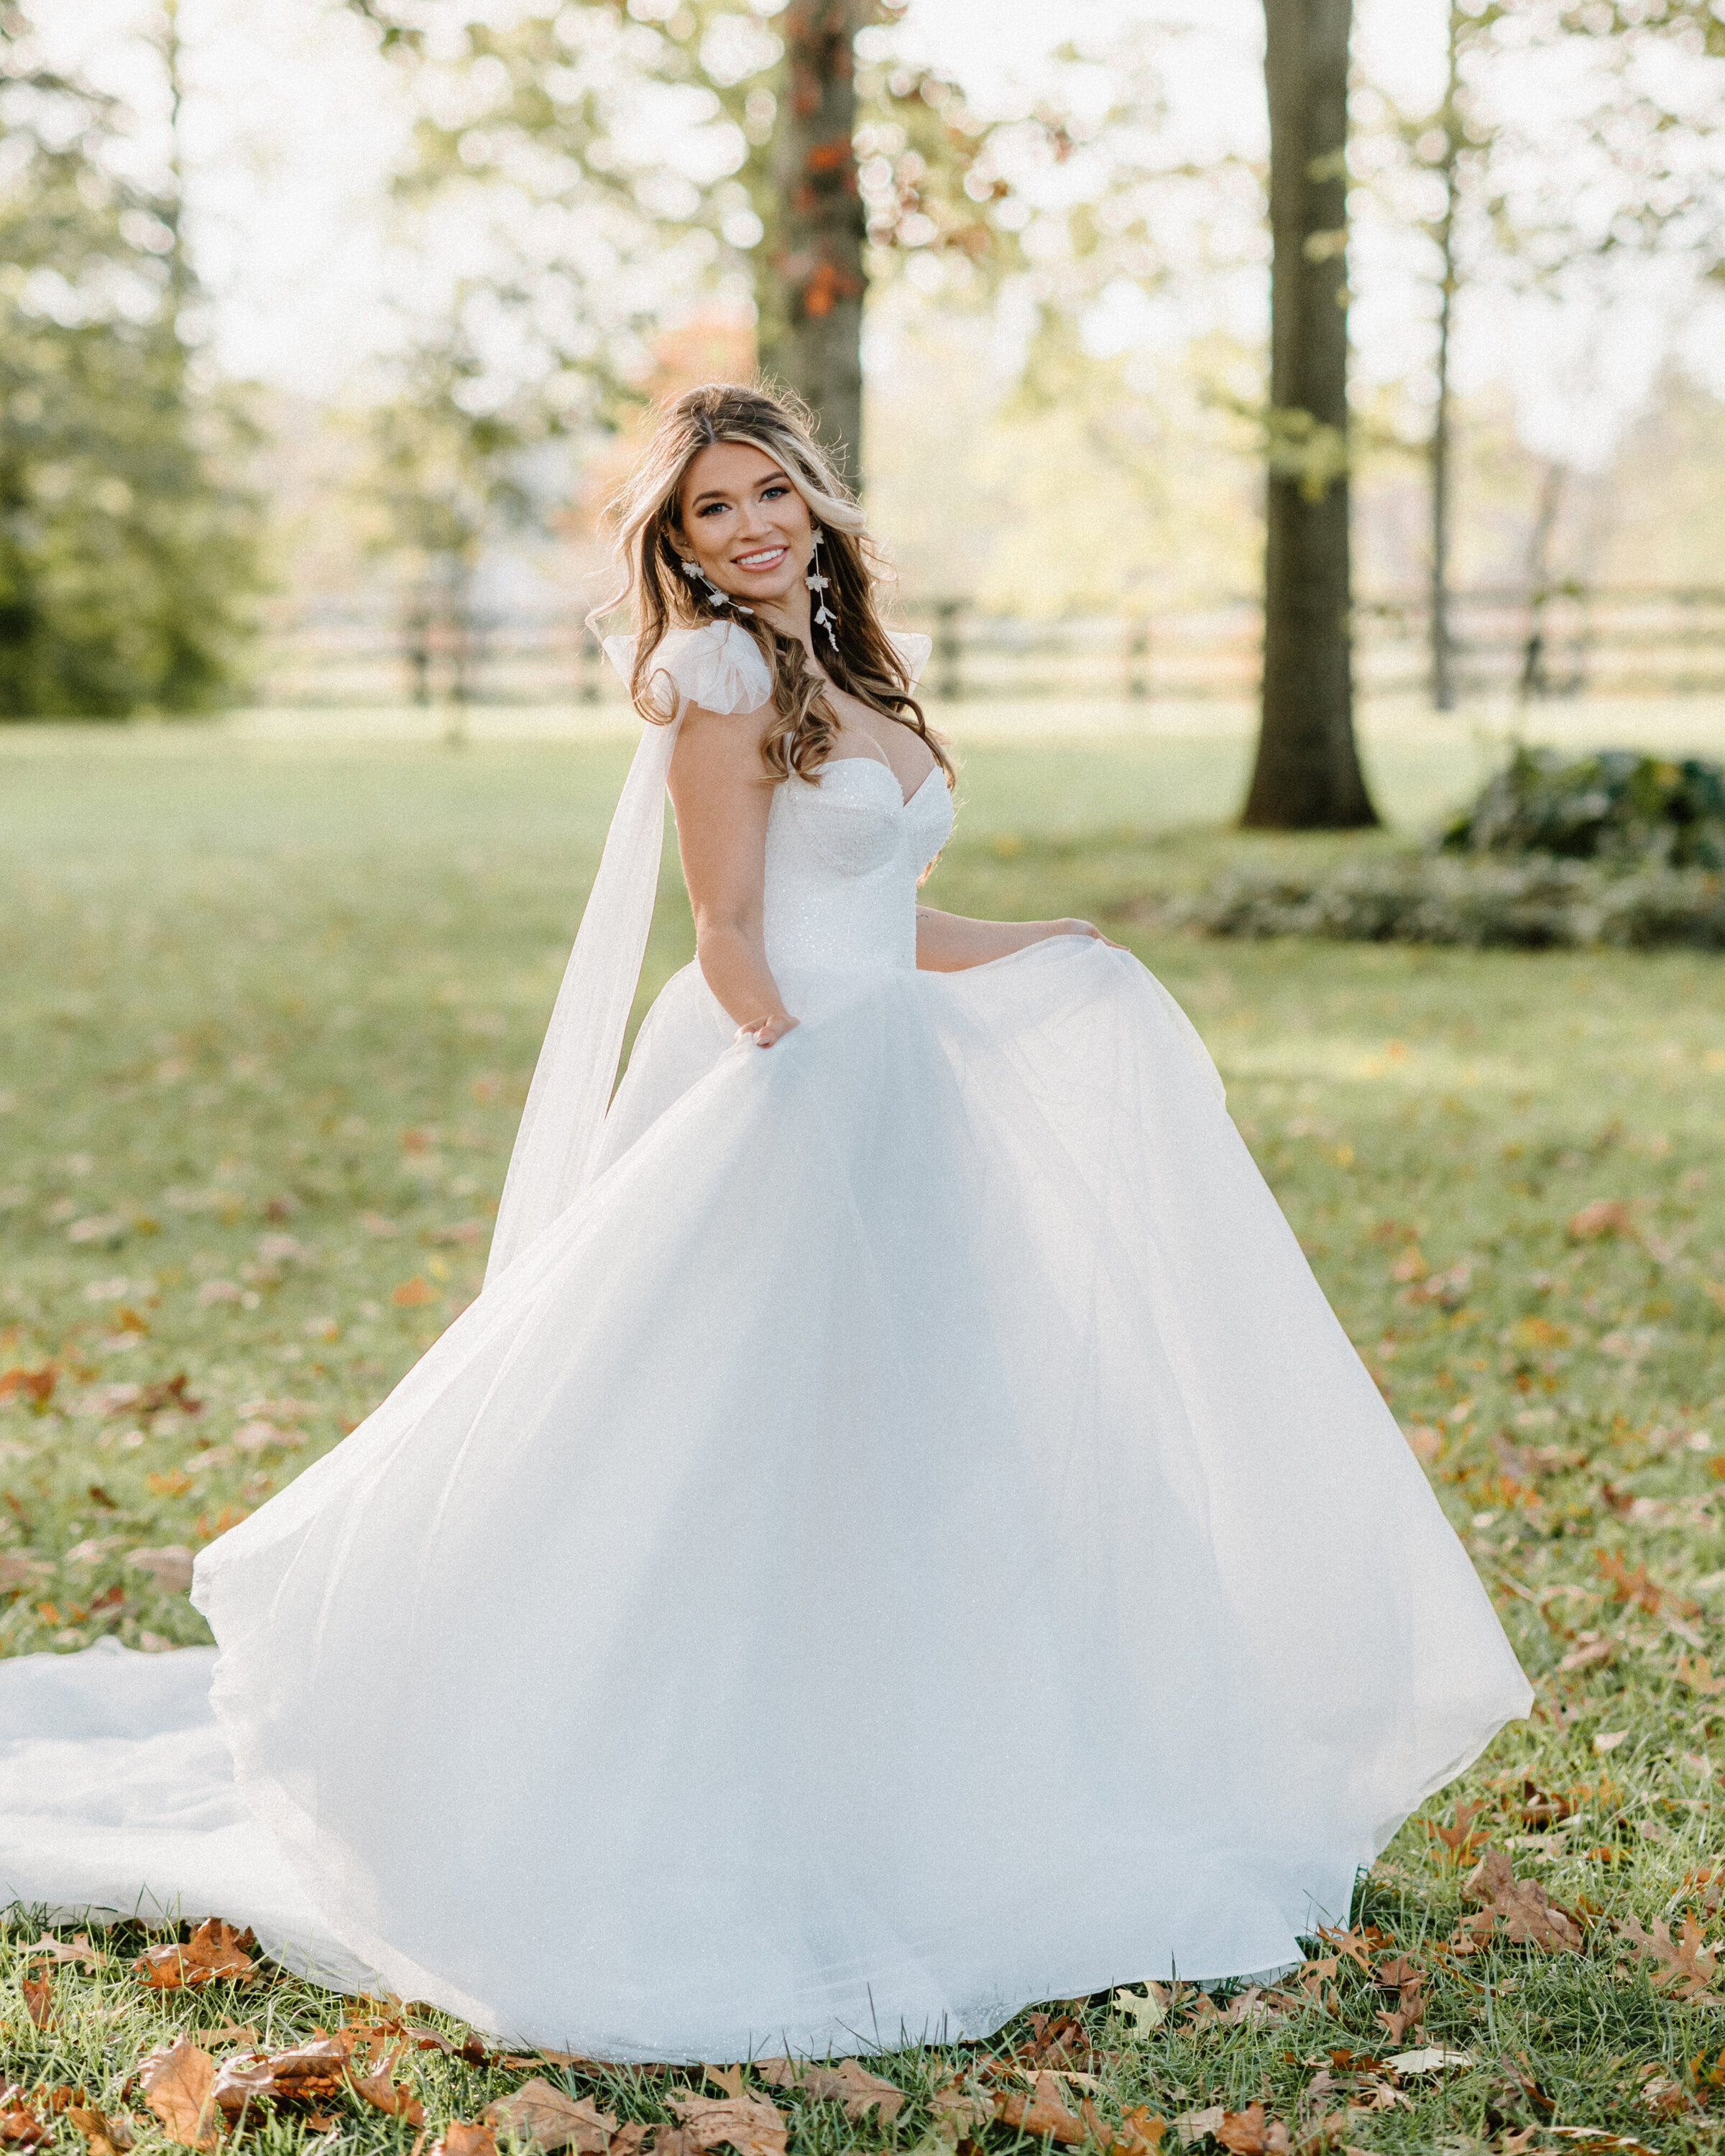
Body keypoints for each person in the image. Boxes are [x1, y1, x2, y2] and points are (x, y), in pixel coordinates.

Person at [0, 384, 1531, 2065]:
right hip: (788, 1092)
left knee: (918, 1447)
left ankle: (926, 1772)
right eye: (710, 512)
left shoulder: (854, 669)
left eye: (767, 494)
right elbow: (734, 926)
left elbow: (880, 905)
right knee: (723, 1443)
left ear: (814, 498)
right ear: (680, 542)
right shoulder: (716, 678)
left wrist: (1050, 944)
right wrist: (798, 1074)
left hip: (893, 1093)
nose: (747, 528)